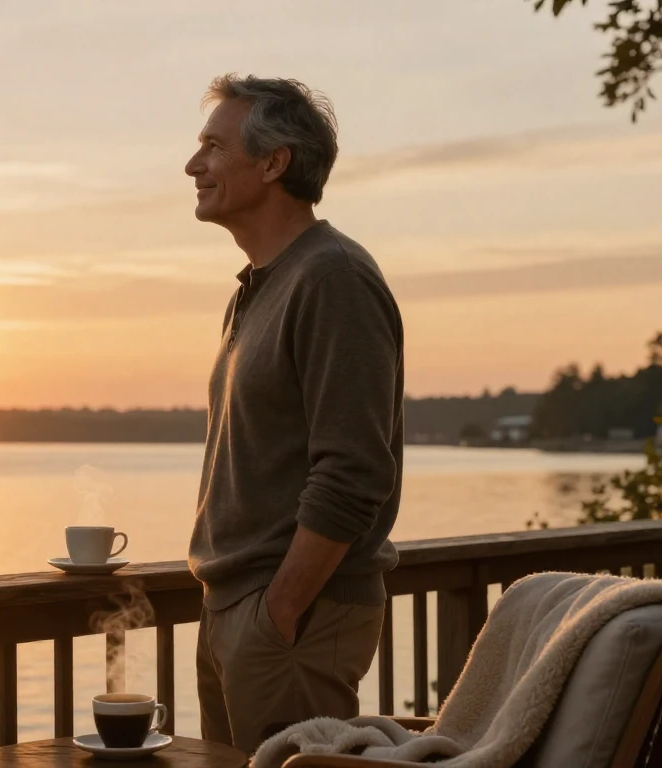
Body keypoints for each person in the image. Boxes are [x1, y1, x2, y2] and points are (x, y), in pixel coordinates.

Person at [185, 74, 404, 755]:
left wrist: (279, 611)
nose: (194, 165)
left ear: (274, 162)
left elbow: (354, 471)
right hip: (237, 610)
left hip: (291, 618)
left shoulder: (332, 277)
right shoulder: (257, 289)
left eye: (213, 147)